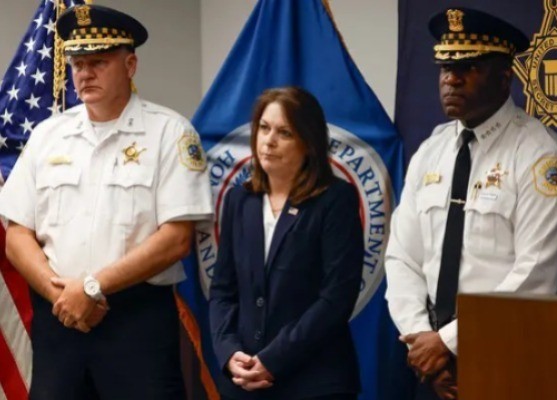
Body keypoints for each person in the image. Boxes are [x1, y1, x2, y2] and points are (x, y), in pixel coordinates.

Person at [0, 4, 213, 400]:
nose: (84, 73)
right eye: (78, 63)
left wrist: (94, 288)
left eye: (98, 62)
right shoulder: (48, 135)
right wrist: (64, 296)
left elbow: (176, 239)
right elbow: (16, 235)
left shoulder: (170, 133)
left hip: (135, 323)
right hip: (59, 319)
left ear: (130, 65)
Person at [385, 7, 557, 400]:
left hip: (509, 357)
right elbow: (402, 258)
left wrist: (448, 343)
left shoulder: (543, 158)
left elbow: (535, 277)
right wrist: (423, 342)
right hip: (431, 369)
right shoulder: (431, 150)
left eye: (468, 67)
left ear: (505, 77)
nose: (451, 79)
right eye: (444, 68)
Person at [209, 87, 363, 400]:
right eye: (264, 128)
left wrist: (273, 359)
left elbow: (336, 298)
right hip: (244, 380)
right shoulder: (240, 200)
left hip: (314, 382)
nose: (269, 140)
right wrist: (228, 353)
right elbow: (223, 290)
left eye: (285, 133)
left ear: (308, 143)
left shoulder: (336, 199)